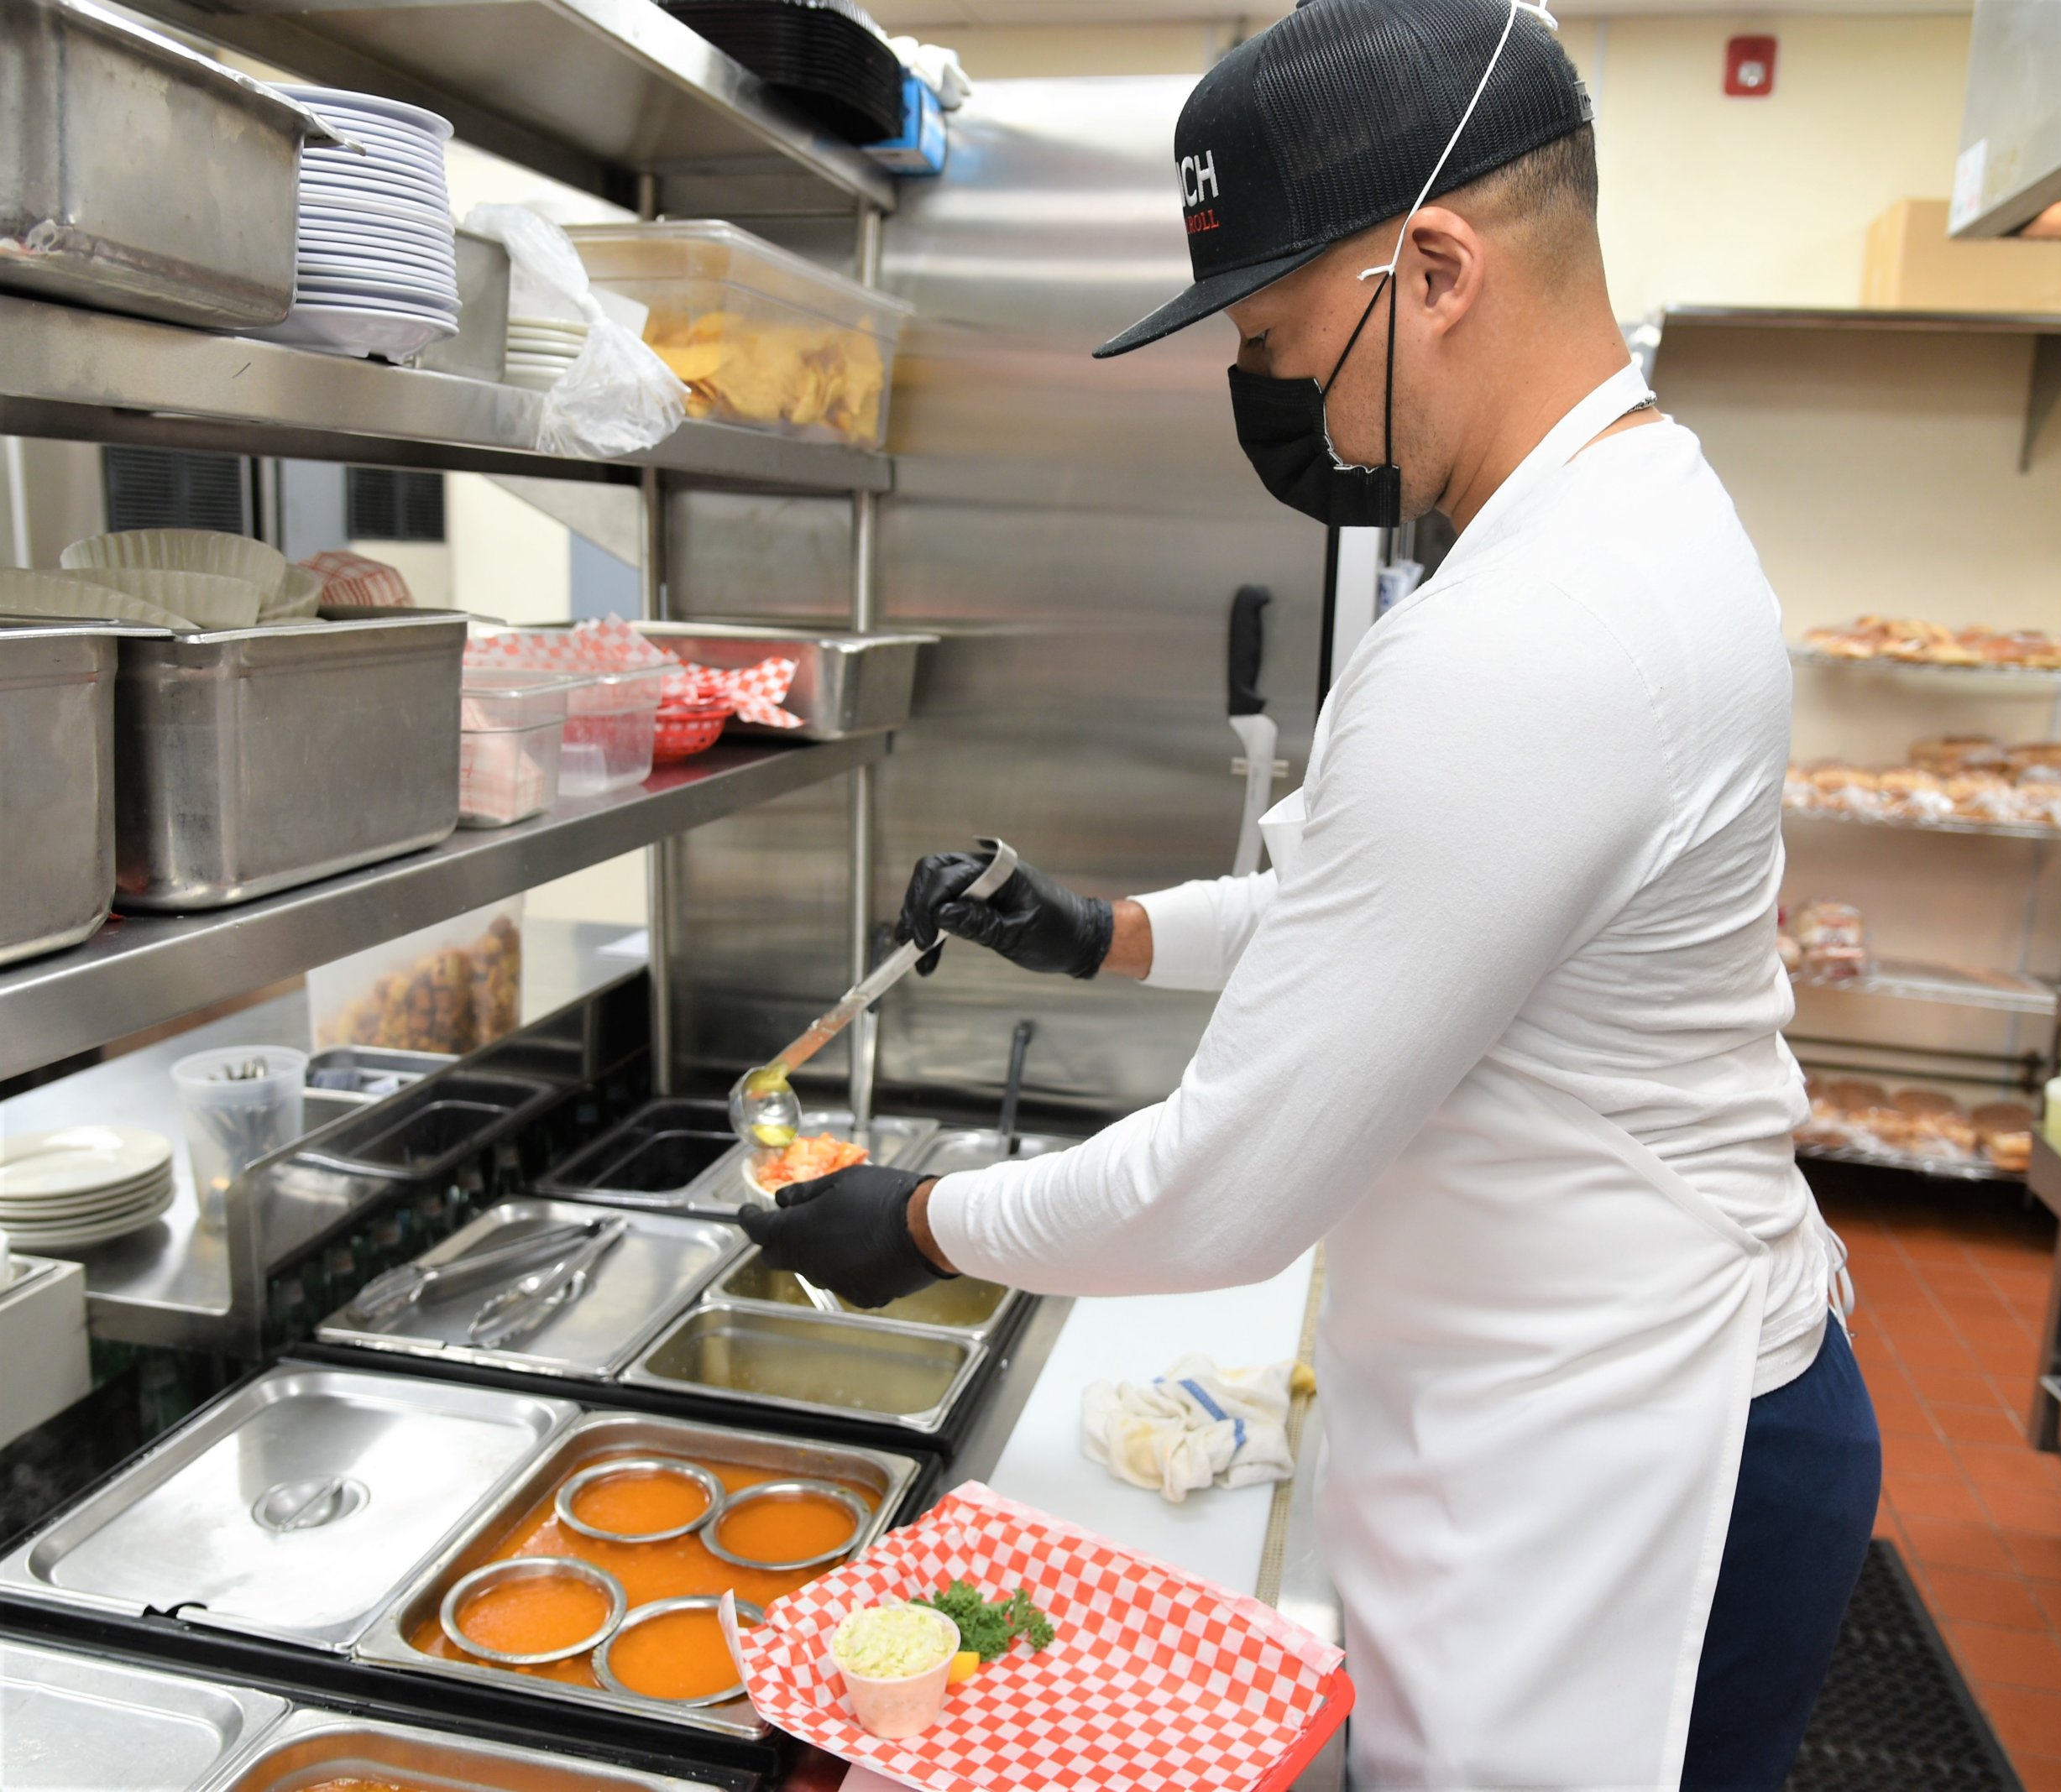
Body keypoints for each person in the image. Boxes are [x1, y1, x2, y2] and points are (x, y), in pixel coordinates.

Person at [737, 0, 1882, 1784]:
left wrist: (913, 1224)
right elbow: (1408, 924)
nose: (1263, 393)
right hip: (1602, 1394)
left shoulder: (1535, 632)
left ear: (1428, 269)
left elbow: (1220, 1196)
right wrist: (1105, 936)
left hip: (1630, 1462)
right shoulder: (1602, 530)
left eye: (1272, 336)